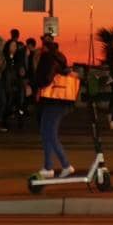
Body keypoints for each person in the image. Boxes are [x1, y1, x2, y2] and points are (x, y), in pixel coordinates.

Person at [33, 34, 73, 179]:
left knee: (48, 132)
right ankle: (48, 166)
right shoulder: (60, 57)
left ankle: (65, 165)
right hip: (61, 99)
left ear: (44, 45)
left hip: (52, 99)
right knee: (46, 132)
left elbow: (45, 78)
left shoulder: (47, 58)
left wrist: (37, 87)